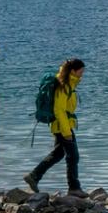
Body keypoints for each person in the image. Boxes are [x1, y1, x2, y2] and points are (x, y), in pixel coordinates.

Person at [24, 57, 84, 195]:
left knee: (58, 154)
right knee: (73, 156)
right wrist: (66, 132)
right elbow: (59, 110)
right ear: (73, 71)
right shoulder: (64, 85)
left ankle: (34, 176)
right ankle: (74, 188)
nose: (82, 74)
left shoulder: (69, 83)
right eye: (81, 71)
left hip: (62, 125)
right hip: (62, 126)